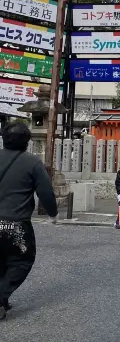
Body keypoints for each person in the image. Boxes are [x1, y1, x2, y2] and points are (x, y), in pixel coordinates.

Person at [0, 122, 57, 321]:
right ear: (27, 141)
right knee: (21, 260)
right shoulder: (32, 163)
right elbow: (46, 192)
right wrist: (53, 213)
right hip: (14, 223)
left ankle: (3, 301)